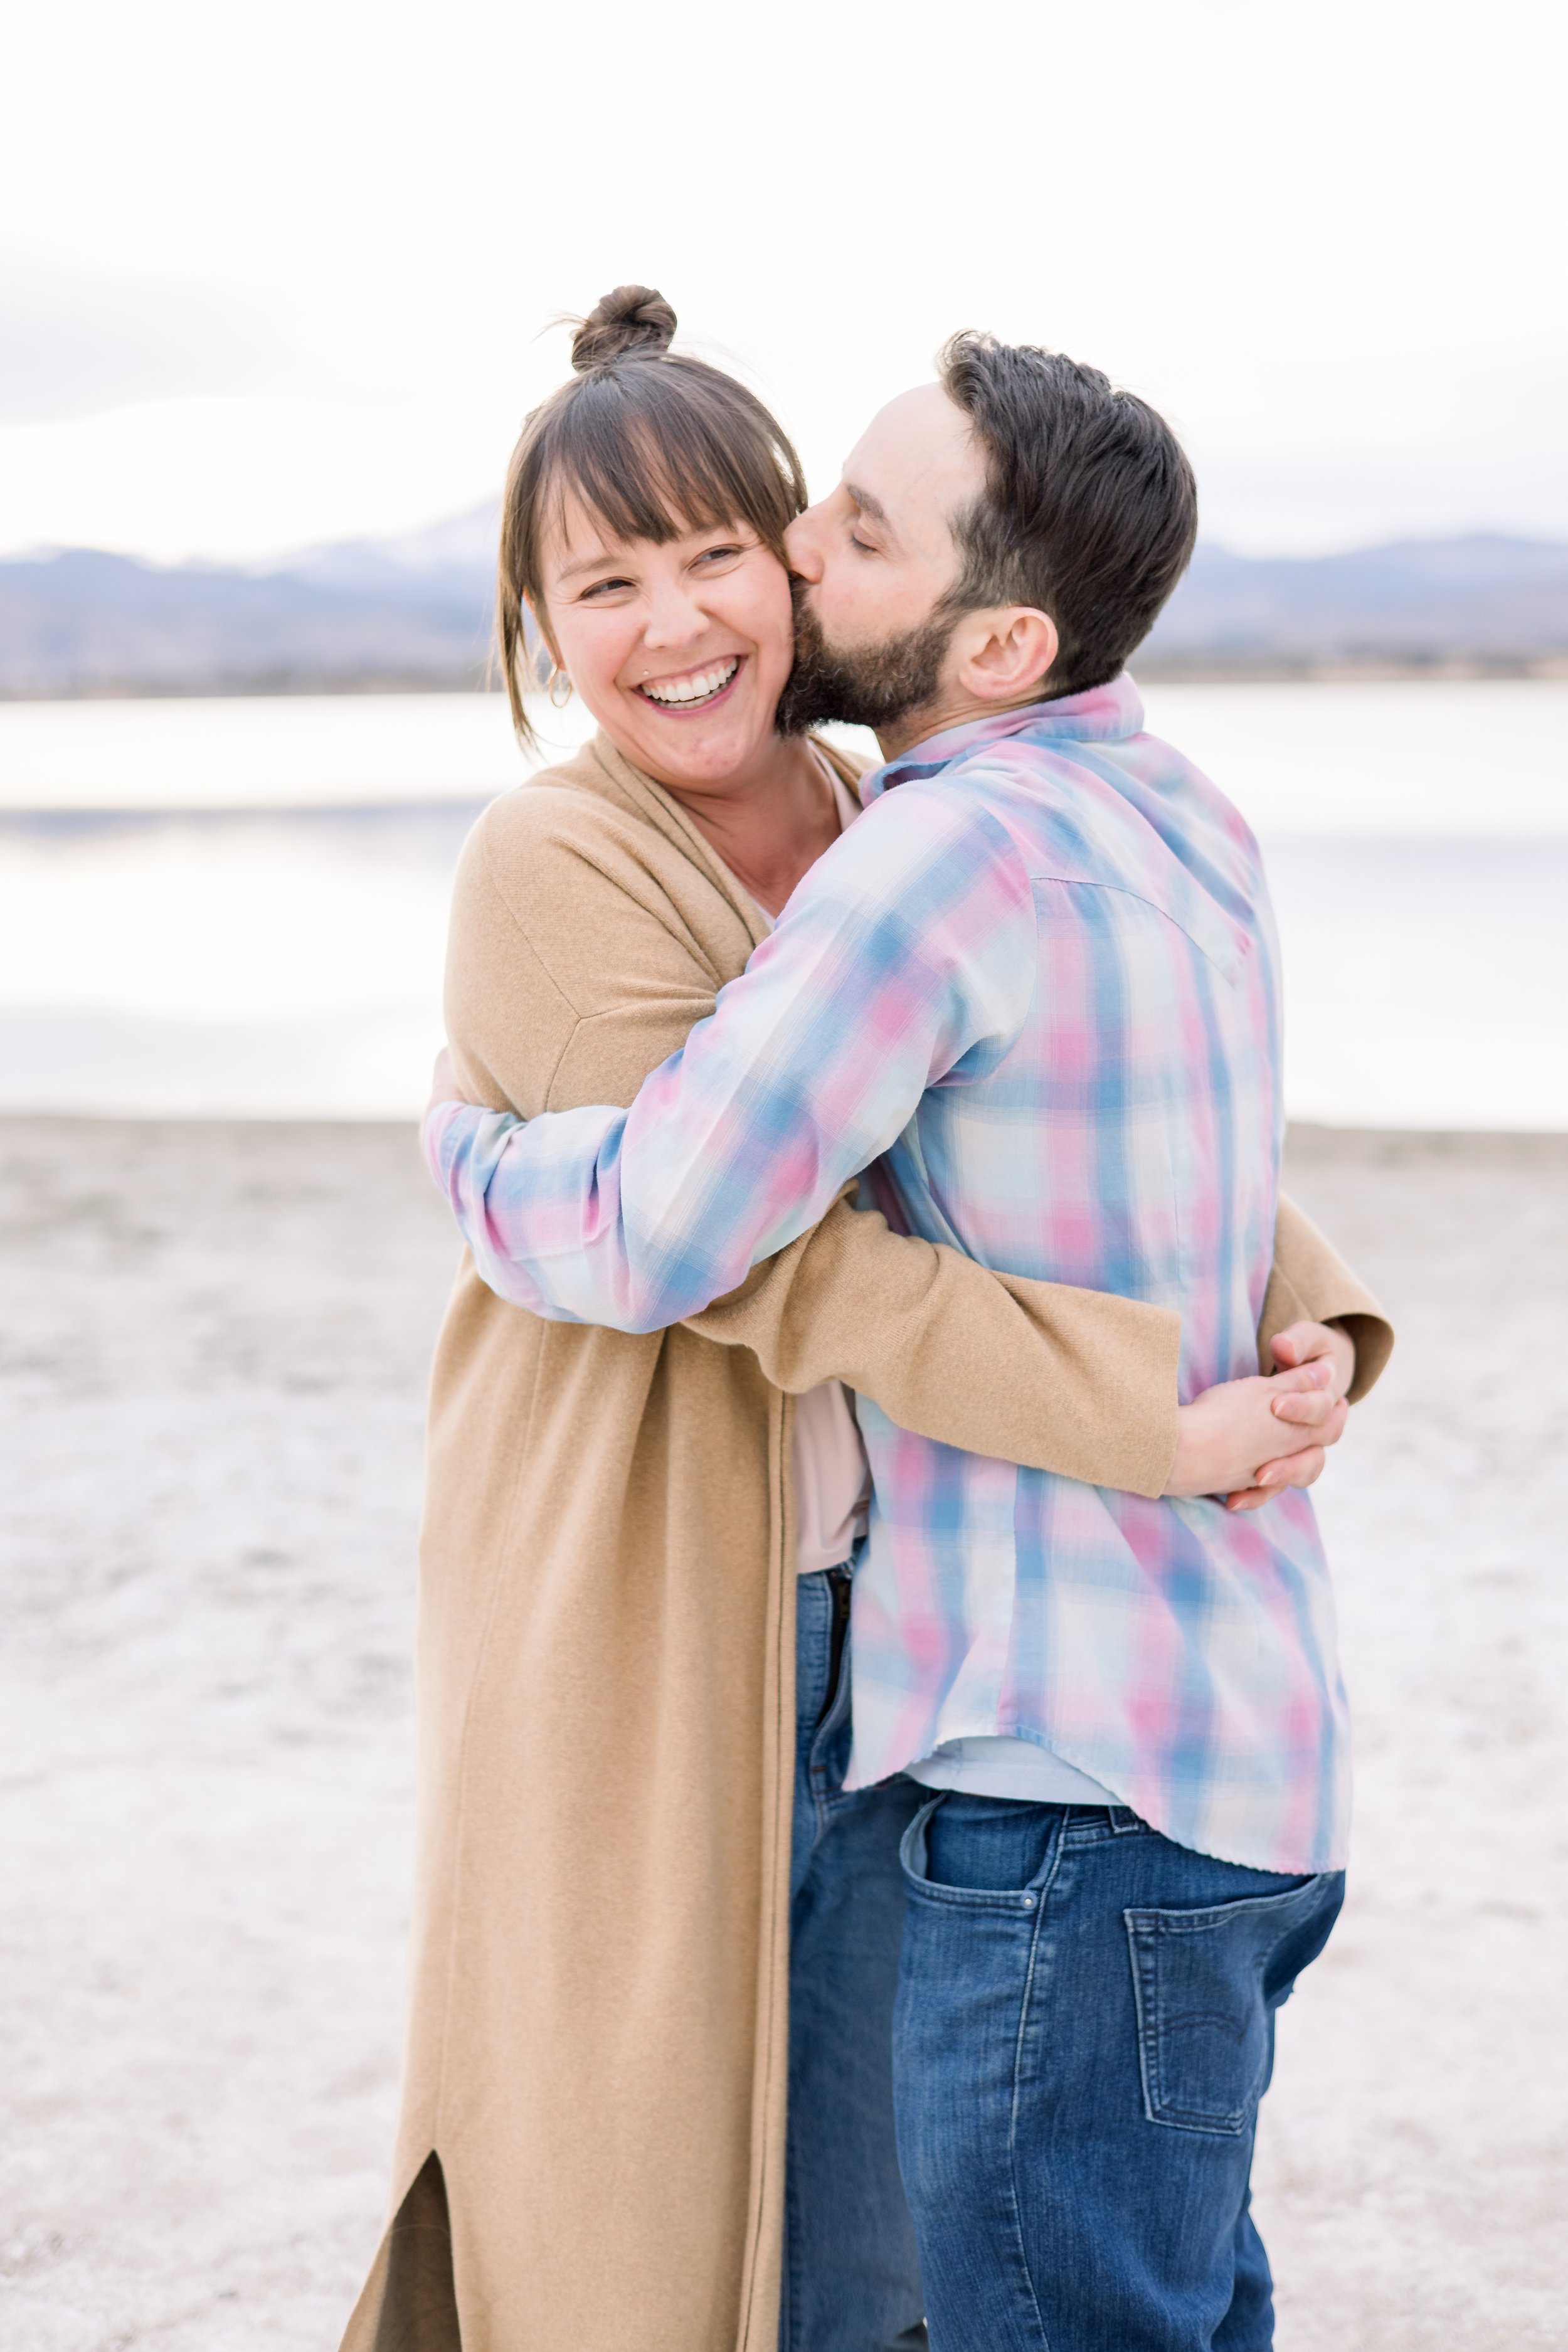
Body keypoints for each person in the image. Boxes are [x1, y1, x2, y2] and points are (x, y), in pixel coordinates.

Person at [345, 287, 1390, 2352]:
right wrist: (1161, 1403)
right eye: (601, 583)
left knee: (923, 2242)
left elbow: (1060, 1116)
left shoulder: (885, 823)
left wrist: (1300, 1310)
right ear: (536, 621)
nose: (699, 612)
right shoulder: (562, 855)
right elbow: (783, 1257)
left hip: (927, 1643)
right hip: (662, 1581)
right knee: (663, 2187)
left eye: (751, 542)